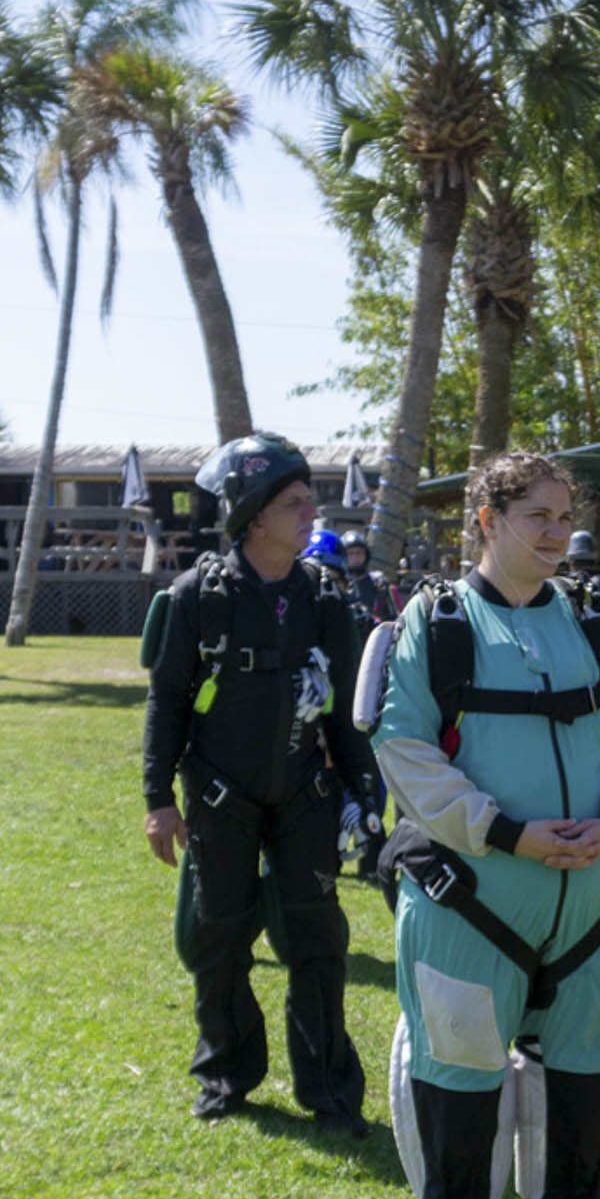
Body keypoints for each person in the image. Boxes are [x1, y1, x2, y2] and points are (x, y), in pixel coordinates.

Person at [371, 451, 600, 1199]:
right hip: (469, 907)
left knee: (582, 1096)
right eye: (535, 513)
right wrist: (504, 833)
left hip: (591, 912)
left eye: (563, 514)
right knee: (459, 1095)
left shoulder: (597, 625)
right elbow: (404, 748)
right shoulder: (433, 627)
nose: (554, 531)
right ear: (486, 519)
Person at [140, 433, 381, 1129]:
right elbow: (168, 701)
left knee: (317, 942)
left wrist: (363, 797)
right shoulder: (199, 598)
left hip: (307, 793)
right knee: (219, 939)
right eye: (295, 501)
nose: (313, 511)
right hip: (220, 795)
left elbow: (341, 711)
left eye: (310, 498)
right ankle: (225, 1075)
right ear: (252, 515)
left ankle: (331, 1091)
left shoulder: (326, 600)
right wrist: (158, 799)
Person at [339, 530, 400, 632]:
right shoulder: (337, 583)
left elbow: (396, 619)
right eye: (350, 553)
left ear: (366, 554)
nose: (355, 557)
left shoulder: (379, 583)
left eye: (359, 552)